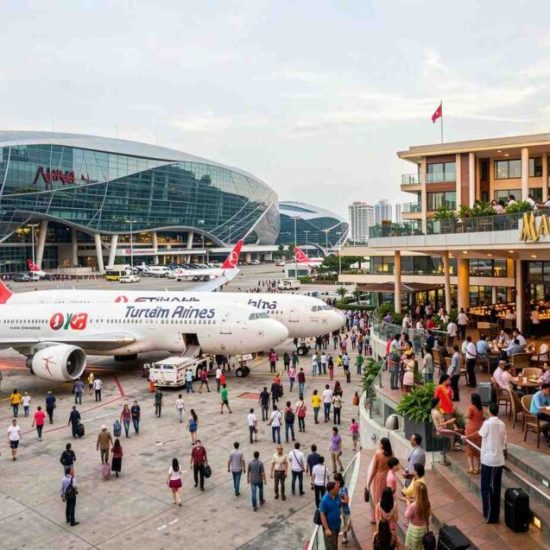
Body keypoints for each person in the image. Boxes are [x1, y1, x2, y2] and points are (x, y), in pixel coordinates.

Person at [366, 438, 393, 521]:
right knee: (387, 496)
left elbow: (374, 469)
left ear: (382, 445)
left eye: (380, 443)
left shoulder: (378, 454)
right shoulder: (391, 453)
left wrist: (368, 483)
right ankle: (386, 515)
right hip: (387, 477)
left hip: (379, 478)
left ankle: (378, 517)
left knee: (378, 498)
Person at [405, 482, 431, 549]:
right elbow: (428, 515)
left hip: (414, 530)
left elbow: (407, 515)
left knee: (412, 547)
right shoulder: (427, 503)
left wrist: (408, 504)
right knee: (419, 546)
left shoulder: (413, 506)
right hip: (423, 529)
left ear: (417, 493)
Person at [463, 393, 484, 474]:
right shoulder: (481, 408)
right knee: (478, 449)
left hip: (471, 429)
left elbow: (468, 416)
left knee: (469, 448)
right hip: (479, 429)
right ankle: (478, 468)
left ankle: (471, 468)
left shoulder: (471, 407)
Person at [319, 481, 341, 550]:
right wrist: (327, 529)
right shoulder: (324, 500)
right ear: (331, 490)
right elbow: (322, 514)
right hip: (330, 527)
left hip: (337, 525)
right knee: (332, 546)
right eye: (336, 488)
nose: (338, 489)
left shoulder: (337, 495)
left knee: (335, 543)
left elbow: (339, 505)